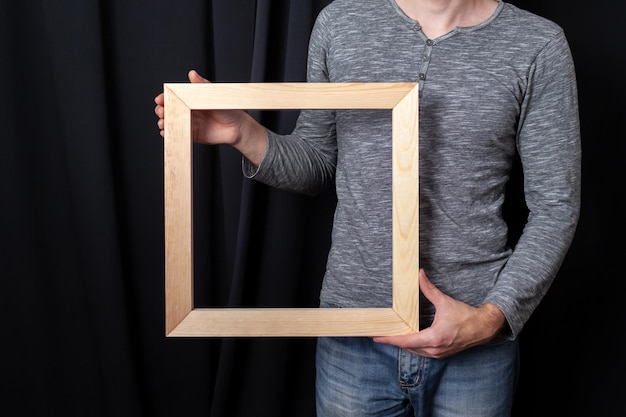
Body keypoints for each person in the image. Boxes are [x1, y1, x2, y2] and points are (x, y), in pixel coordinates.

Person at [154, 0, 581, 415]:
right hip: (353, 335)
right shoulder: (341, 22)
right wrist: (242, 133)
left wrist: (491, 317)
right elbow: (316, 163)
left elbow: (556, 206)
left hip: (474, 341)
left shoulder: (537, 44)